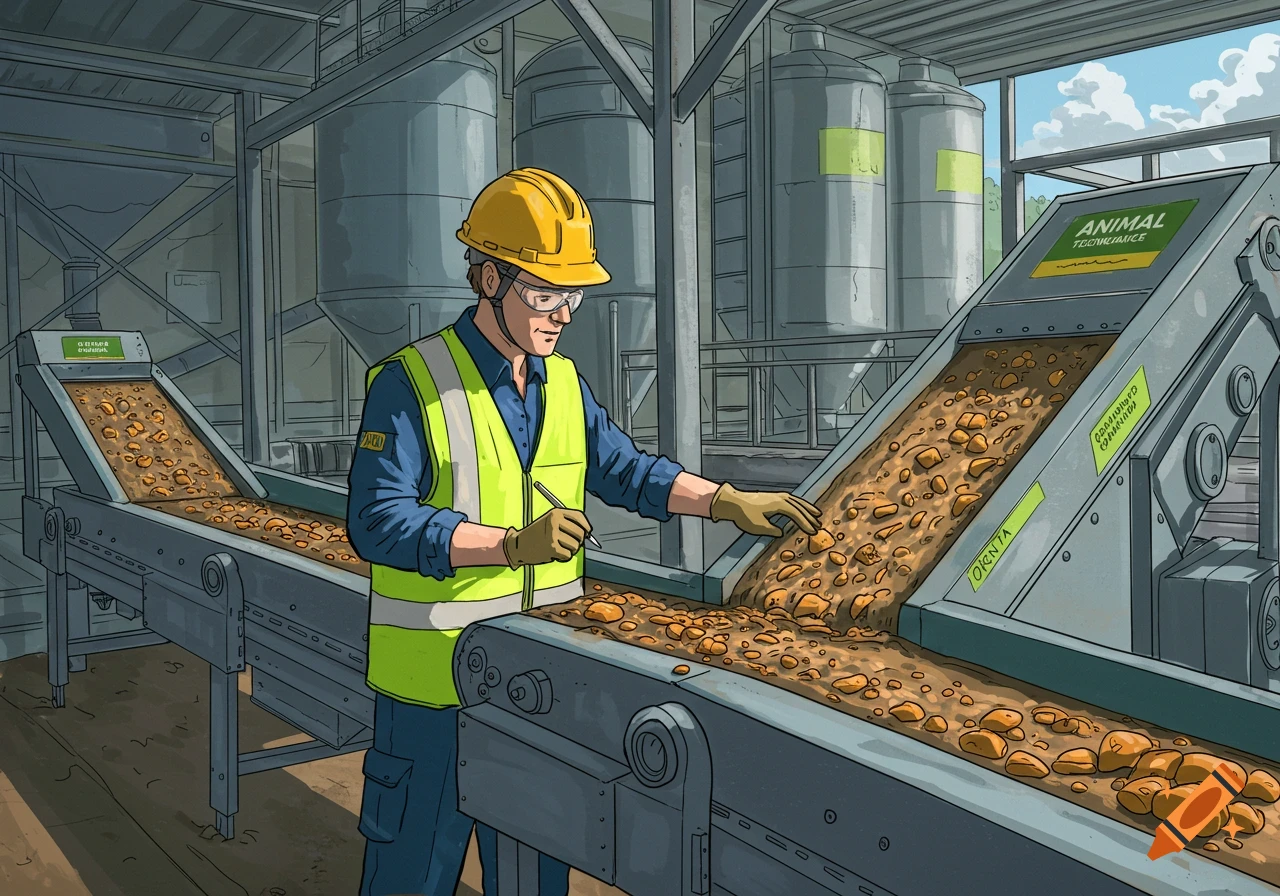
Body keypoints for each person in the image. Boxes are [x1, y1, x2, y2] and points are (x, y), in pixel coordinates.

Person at [347, 167, 822, 896]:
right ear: (488, 279)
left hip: (539, 683)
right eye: (545, 292)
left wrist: (726, 501)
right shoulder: (410, 383)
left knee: (537, 868)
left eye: (572, 294)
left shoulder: (561, 384)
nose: (563, 311)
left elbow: (626, 470)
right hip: (433, 694)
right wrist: (510, 545)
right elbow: (378, 524)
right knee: (415, 869)